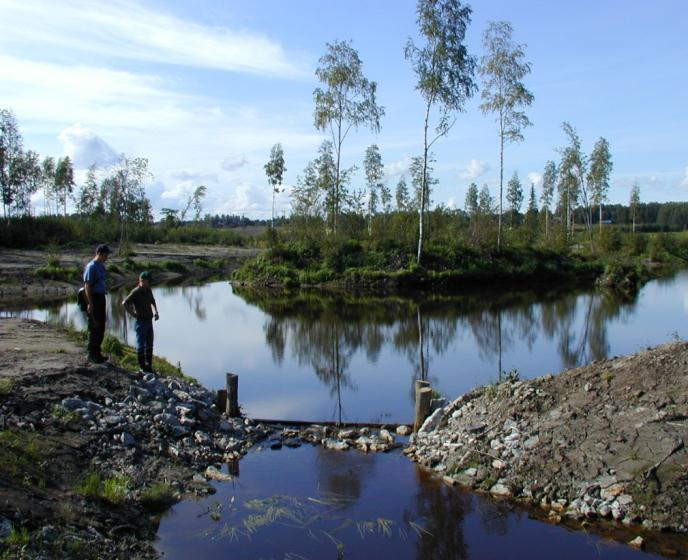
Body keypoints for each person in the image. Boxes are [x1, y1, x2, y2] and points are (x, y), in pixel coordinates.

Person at [122, 271, 159, 373]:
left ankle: (149, 366)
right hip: (141, 322)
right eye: (148, 281)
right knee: (141, 344)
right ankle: (142, 367)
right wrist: (133, 314)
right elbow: (125, 303)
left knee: (150, 344)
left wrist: (156, 311)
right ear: (142, 280)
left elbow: (152, 301)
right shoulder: (136, 292)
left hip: (149, 321)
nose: (150, 283)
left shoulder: (148, 290)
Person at [83, 244, 111, 363]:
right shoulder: (91, 267)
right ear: (99, 253)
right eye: (105, 255)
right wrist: (90, 303)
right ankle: (91, 354)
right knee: (94, 325)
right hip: (94, 298)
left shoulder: (102, 267)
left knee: (101, 326)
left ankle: (97, 353)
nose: (107, 257)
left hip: (101, 298)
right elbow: (87, 286)